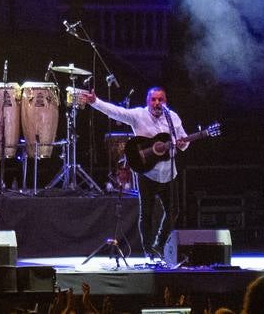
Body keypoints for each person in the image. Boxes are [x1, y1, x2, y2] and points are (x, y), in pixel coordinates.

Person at [78, 86, 188, 260]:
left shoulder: (173, 117)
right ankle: (148, 251)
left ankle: (158, 245)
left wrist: (183, 144)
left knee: (173, 211)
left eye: (161, 99)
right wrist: (95, 102)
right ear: (148, 101)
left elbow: (184, 139)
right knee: (147, 213)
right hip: (147, 172)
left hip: (168, 173)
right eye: (154, 99)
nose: (157, 103)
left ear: (166, 102)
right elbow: (117, 112)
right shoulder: (139, 115)